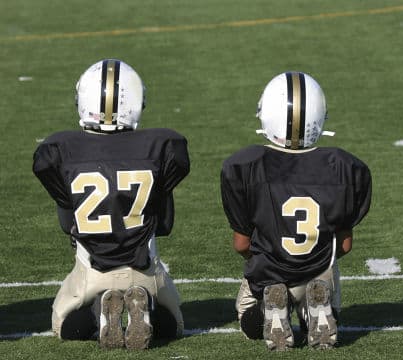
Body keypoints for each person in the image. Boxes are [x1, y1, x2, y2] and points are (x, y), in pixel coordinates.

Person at [32, 59, 190, 350]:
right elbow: (164, 218)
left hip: (90, 270)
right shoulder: (162, 146)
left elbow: (67, 217)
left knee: (65, 325)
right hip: (145, 268)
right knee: (173, 325)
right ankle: (148, 309)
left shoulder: (59, 150)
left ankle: (98, 315)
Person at [220, 71, 372, 351]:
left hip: (268, 269)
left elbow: (241, 243)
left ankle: (270, 306)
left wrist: (269, 259)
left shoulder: (247, 165)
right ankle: (313, 308)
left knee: (248, 323)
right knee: (324, 293)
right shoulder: (341, 166)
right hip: (318, 268)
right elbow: (346, 246)